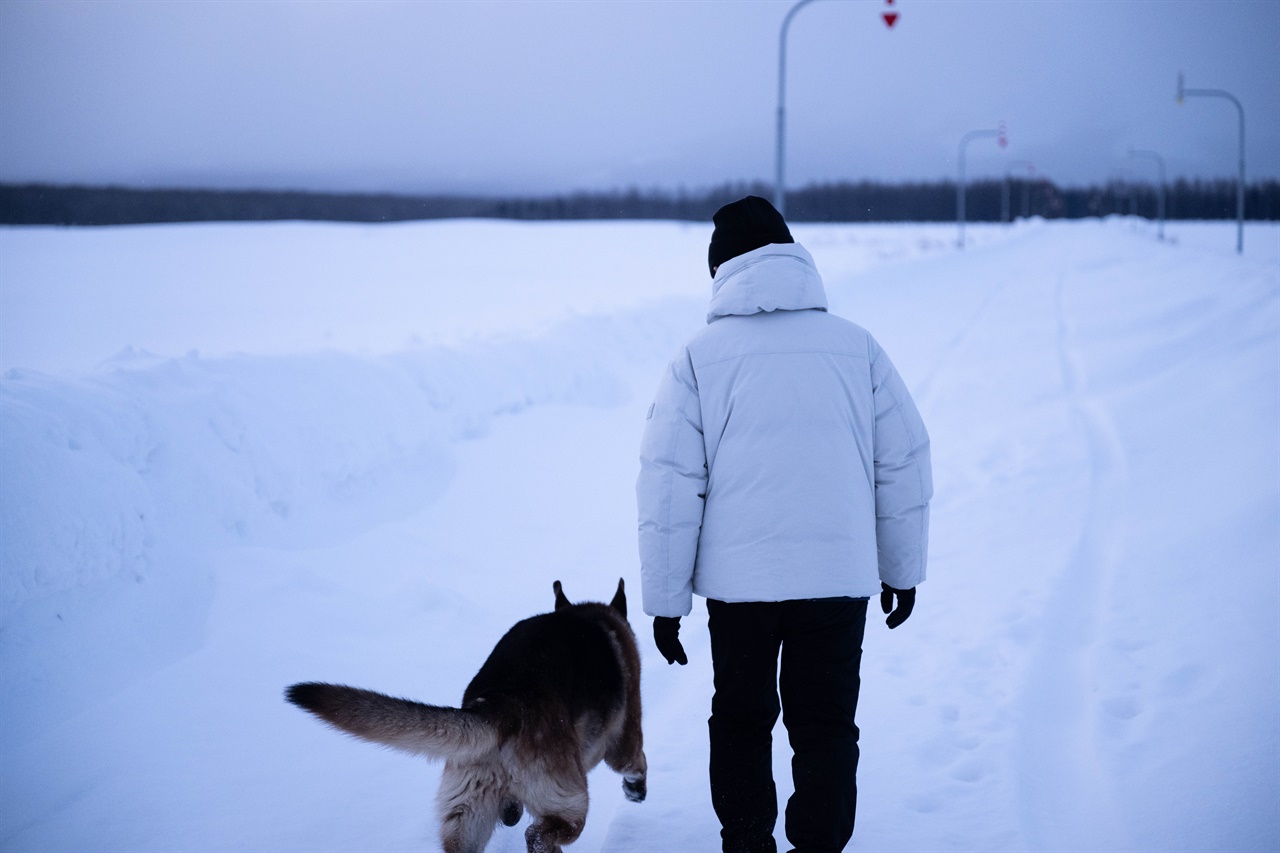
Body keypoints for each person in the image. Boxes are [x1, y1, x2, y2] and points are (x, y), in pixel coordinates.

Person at [636, 196, 932, 853]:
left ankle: (746, 840)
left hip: (739, 591)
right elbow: (904, 463)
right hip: (836, 582)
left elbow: (669, 485)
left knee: (741, 719)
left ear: (722, 270)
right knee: (825, 723)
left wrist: (666, 602)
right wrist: (901, 570)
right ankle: (820, 844)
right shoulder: (858, 348)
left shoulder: (697, 357)